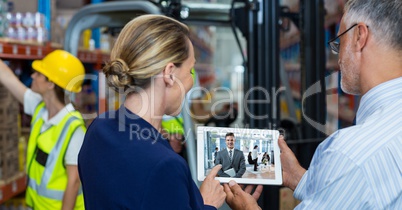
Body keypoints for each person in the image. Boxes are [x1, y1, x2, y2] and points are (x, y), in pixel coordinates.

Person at [228, 0, 402, 209]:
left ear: (359, 37)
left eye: (339, 43)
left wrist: (247, 208)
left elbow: (357, 174)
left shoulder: (349, 154)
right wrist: (299, 178)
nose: (336, 58)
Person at [78, 14, 226, 209]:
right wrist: (207, 204)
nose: (192, 82)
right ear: (170, 73)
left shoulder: (98, 128)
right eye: (191, 71)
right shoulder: (165, 166)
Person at [0, 50, 86, 209]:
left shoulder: (74, 129)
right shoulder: (40, 108)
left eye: (39, 74)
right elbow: (8, 78)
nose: (32, 76)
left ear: (51, 83)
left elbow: (73, 183)